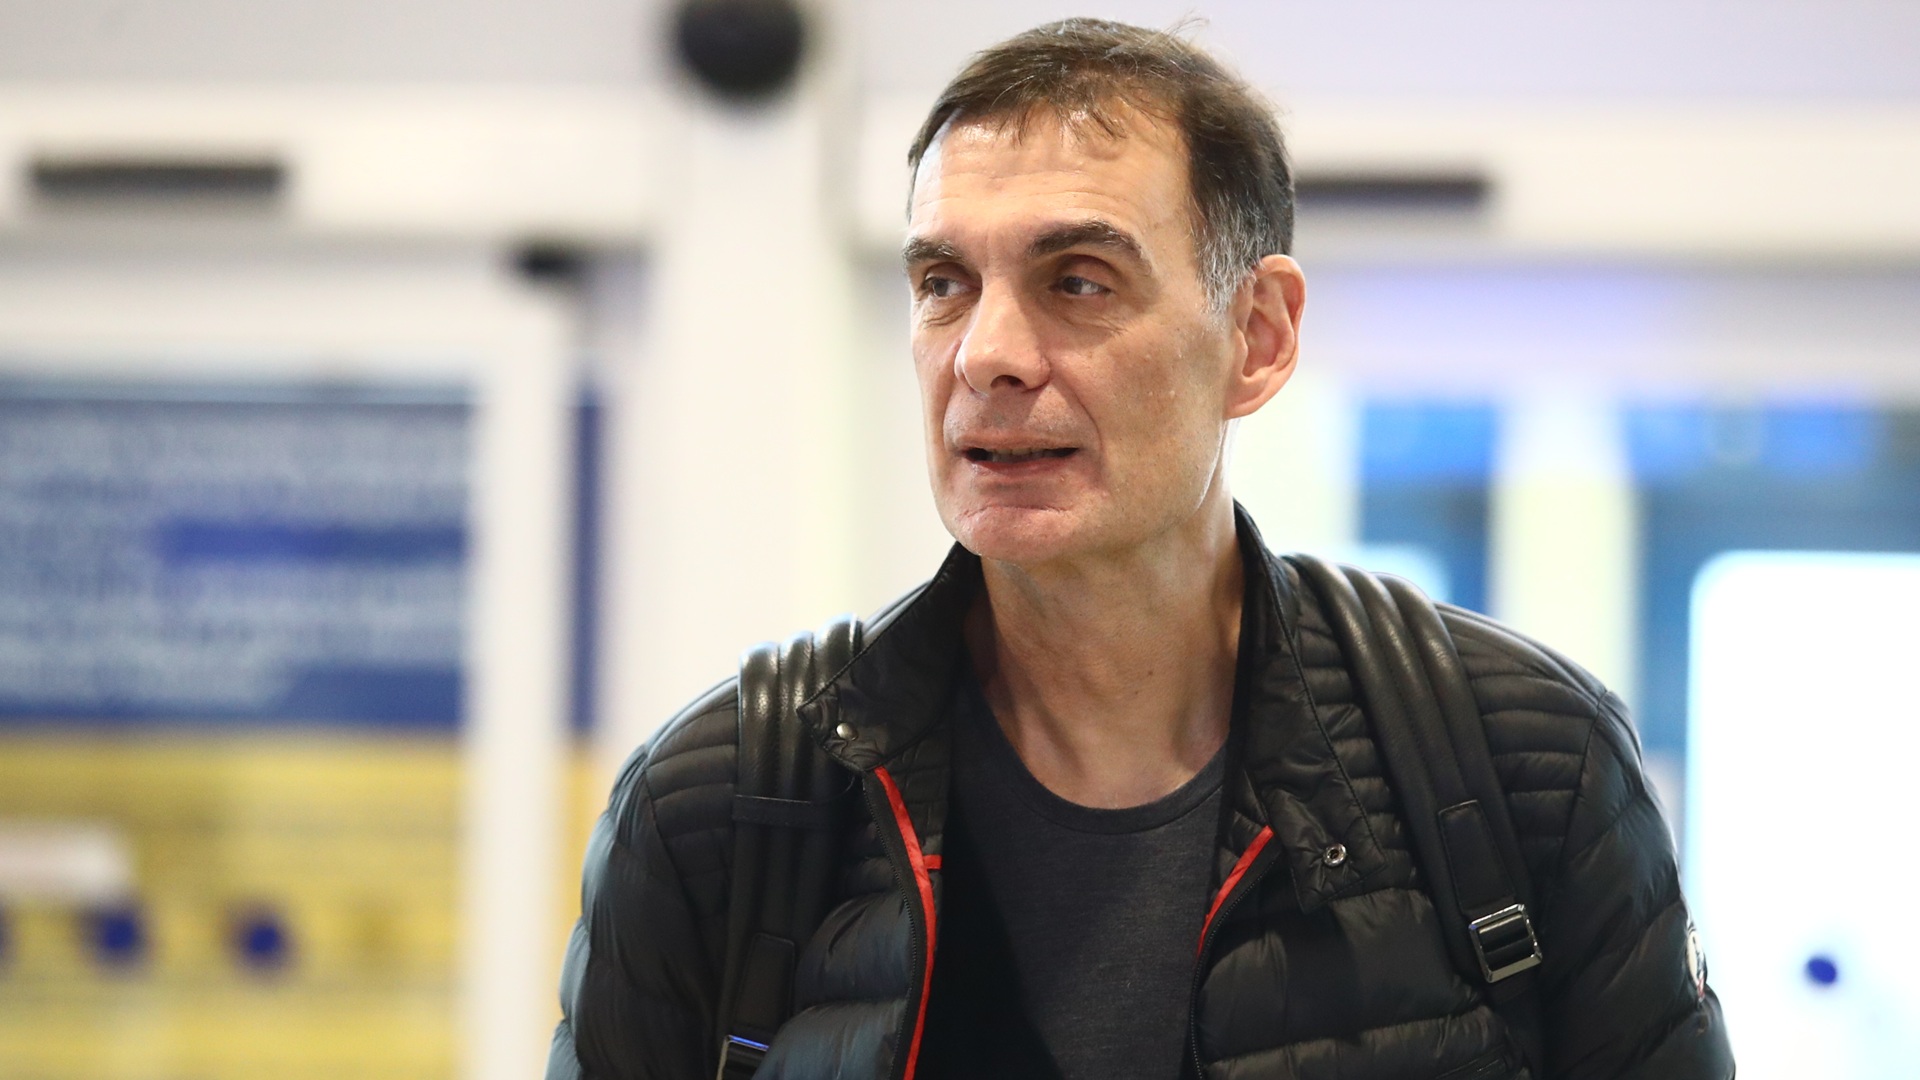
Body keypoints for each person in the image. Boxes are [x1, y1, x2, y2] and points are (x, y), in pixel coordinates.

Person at [549, 18, 1732, 1080]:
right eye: (944, 283)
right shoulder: (725, 803)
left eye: (1078, 281)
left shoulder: (1524, 766)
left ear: (1257, 336)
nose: (986, 355)